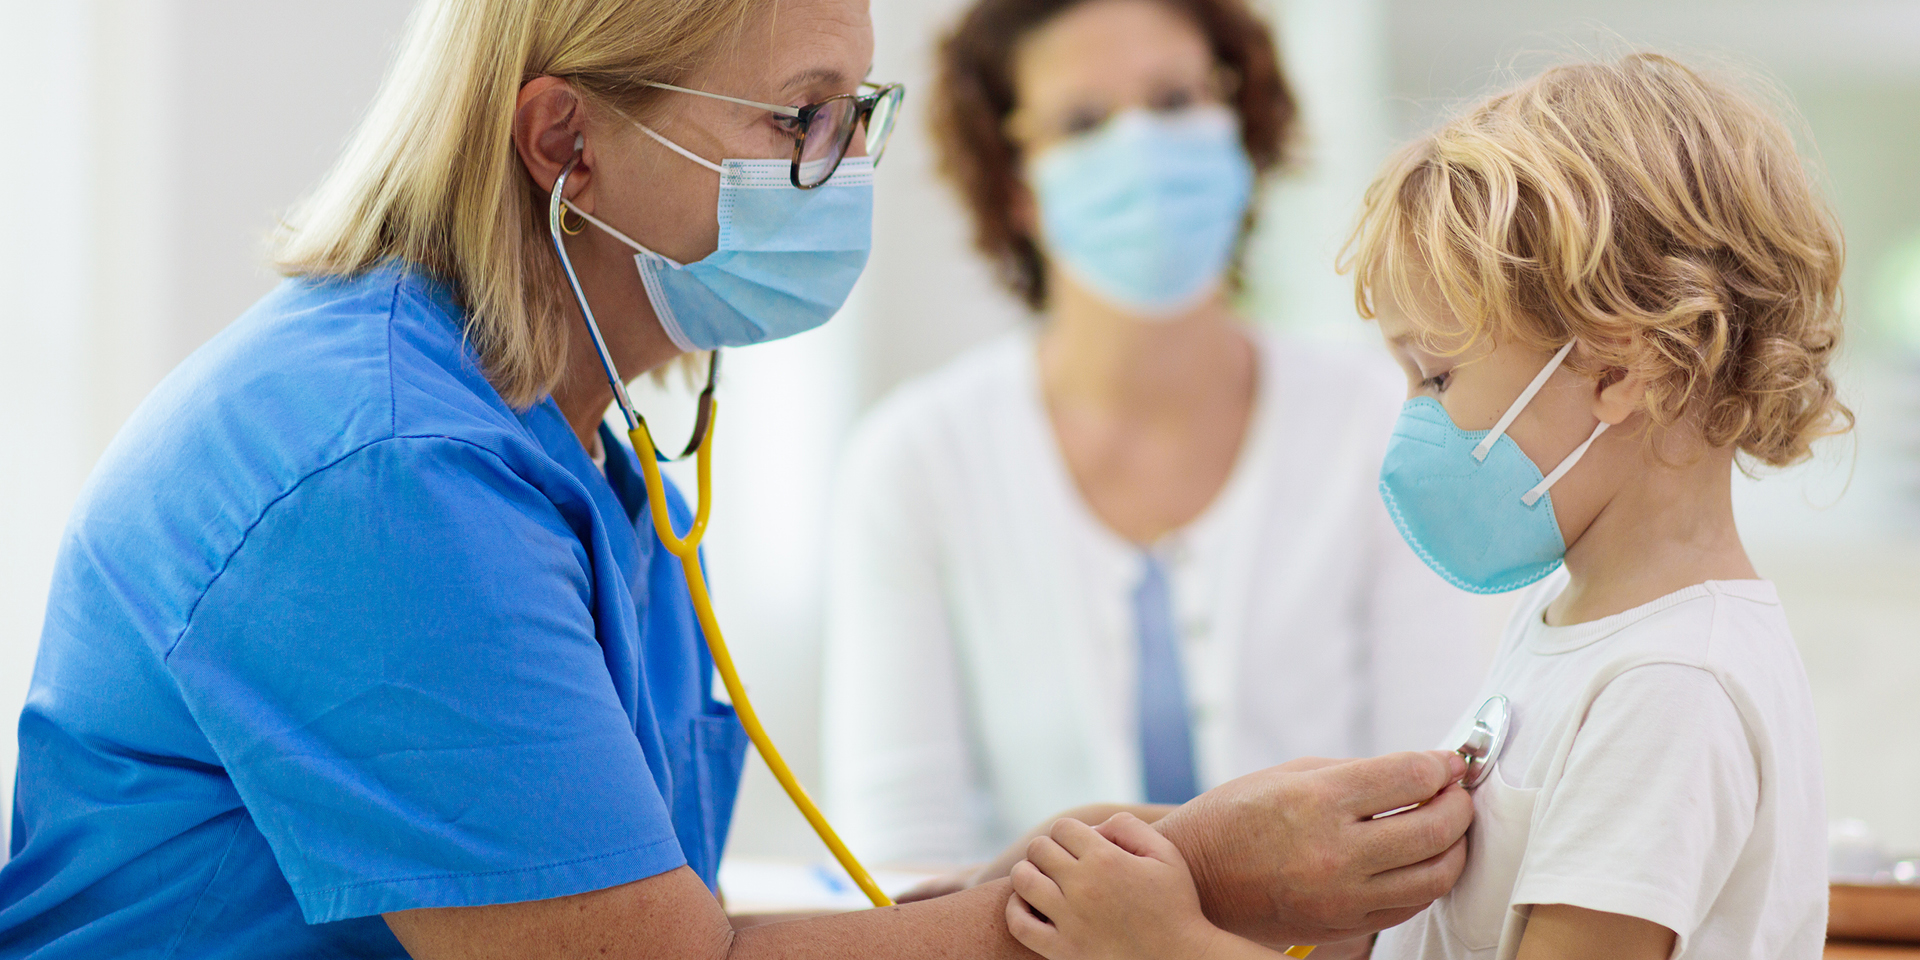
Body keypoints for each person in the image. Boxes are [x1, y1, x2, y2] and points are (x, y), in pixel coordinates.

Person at [0, 0, 1477, 957]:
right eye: (798, 118)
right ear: (567, 139)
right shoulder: (384, 475)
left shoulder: (574, 446)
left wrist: (1080, 884)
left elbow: (678, 928)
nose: (839, 170)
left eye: (857, 115)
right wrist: (1184, 887)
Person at [994, 53, 1843, 960]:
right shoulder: (1574, 625)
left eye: (1437, 374)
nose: (1412, 419)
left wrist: (1162, 946)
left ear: (1619, 369)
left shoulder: (1670, 690)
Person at [821, 0, 1486, 870]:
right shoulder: (917, 461)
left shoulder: (1386, 424)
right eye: (1083, 121)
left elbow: (1437, 810)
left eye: (1174, 102)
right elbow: (900, 861)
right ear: (1016, 182)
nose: (1140, 146)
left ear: (1240, 123)